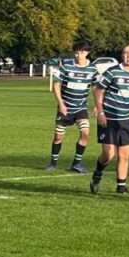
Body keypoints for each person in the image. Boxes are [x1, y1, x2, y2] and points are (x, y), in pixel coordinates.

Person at [90, 43, 129, 195]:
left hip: (125, 120)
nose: (128, 56)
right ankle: (97, 174)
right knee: (108, 154)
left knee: (124, 155)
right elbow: (98, 90)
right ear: (122, 56)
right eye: (126, 53)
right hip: (109, 119)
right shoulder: (113, 72)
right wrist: (100, 112)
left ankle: (121, 188)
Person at [46, 41, 98, 173]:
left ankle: (76, 164)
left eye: (81, 52)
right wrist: (61, 104)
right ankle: (53, 163)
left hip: (81, 108)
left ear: (87, 53)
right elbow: (56, 85)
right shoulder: (66, 67)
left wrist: (97, 105)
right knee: (58, 137)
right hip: (65, 108)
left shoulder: (93, 69)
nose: (78, 55)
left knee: (85, 132)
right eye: (76, 52)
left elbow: (96, 88)